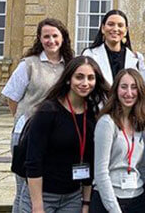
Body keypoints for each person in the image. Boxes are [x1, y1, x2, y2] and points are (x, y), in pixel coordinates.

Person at [1, 18, 74, 212]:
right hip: (25, 133)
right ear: (40, 39)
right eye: (46, 36)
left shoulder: (69, 66)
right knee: (23, 188)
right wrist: (23, 120)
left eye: (55, 36)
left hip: (54, 136)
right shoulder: (29, 64)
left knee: (43, 186)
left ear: (63, 38)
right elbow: (12, 97)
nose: (51, 41)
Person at [20, 56, 109, 213]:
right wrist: (37, 205)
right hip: (42, 196)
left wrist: (86, 203)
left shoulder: (93, 115)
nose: (85, 83)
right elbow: (33, 160)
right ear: (68, 79)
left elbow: (89, 160)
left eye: (90, 78)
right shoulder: (48, 111)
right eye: (79, 77)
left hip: (72, 197)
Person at [91, 69, 145, 213]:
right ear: (116, 90)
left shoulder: (142, 123)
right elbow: (101, 172)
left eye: (134, 87)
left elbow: (142, 166)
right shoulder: (107, 123)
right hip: (108, 200)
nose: (129, 93)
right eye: (124, 87)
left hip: (137, 199)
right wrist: (114, 209)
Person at [82, 10, 145, 93]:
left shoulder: (137, 58)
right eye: (111, 24)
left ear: (125, 31)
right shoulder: (89, 55)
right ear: (103, 28)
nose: (115, 29)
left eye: (120, 25)